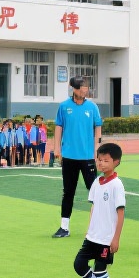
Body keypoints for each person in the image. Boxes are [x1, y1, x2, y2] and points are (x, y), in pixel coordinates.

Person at [72, 142, 126, 278]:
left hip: (106, 239)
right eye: (99, 160)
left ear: (116, 162)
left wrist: (116, 239)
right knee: (79, 264)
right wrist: (89, 229)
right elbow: (94, 206)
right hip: (92, 237)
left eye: (106, 160)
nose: (101, 163)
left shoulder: (117, 185)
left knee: (100, 270)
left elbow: (121, 213)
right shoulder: (97, 182)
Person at [52, 76, 102, 238]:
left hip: (87, 157)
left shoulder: (92, 107)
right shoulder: (64, 107)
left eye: (86, 87)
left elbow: (98, 128)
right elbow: (59, 127)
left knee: (94, 192)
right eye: (82, 88)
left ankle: (98, 226)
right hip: (69, 157)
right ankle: (64, 227)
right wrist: (56, 148)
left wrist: (97, 150)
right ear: (73, 88)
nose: (85, 90)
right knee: (68, 192)